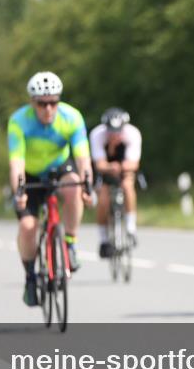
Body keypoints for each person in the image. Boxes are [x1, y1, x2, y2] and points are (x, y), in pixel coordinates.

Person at [8, 71, 93, 306]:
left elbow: (83, 157)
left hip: (60, 167)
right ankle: (30, 277)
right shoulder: (19, 121)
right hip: (31, 174)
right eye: (42, 104)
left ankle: (70, 242)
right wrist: (19, 192)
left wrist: (87, 185)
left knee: (73, 187)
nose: (48, 109)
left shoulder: (72, 117)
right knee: (28, 226)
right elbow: (16, 163)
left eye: (53, 102)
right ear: (32, 102)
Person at [89, 107, 142, 257]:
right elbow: (99, 164)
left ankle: (131, 228)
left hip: (124, 165)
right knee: (103, 199)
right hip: (105, 168)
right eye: (111, 131)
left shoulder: (132, 134)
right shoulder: (97, 135)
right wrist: (110, 167)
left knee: (127, 185)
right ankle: (104, 240)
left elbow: (134, 163)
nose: (114, 134)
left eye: (118, 131)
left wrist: (122, 167)